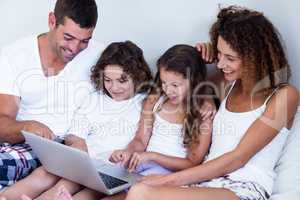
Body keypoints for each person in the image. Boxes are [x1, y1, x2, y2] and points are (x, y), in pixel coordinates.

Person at [120, 5, 299, 200]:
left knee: (141, 192)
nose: (221, 64)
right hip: (206, 184)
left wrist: (166, 181)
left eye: (230, 58)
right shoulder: (226, 85)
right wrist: (202, 57)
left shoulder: (284, 96)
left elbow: (237, 158)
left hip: (242, 189)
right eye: (219, 55)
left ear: (254, 57)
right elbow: (188, 83)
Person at [0, 41, 153, 200]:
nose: (114, 87)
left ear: (137, 75)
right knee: (44, 173)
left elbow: (141, 140)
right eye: (108, 80)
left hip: (113, 170)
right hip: (85, 161)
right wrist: (79, 147)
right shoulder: (94, 100)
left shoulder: (144, 103)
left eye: (122, 81)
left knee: (67, 186)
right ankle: (6, 197)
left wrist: (127, 154)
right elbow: (75, 134)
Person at [0, 0, 99, 188]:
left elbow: (137, 82)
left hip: (55, 150)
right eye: (68, 37)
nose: (75, 48)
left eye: (85, 41)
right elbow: (2, 121)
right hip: (19, 140)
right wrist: (27, 126)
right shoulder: (13, 55)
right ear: (52, 21)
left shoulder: (100, 55)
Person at [103, 44, 213, 200]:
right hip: (143, 166)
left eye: (175, 85)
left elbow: (192, 162)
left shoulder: (202, 114)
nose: (168, 90)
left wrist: (153, 156)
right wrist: (127, 152)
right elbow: (140, 140)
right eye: (164, 83)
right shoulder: (155, 100)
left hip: (172, 176)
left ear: (193, 81)